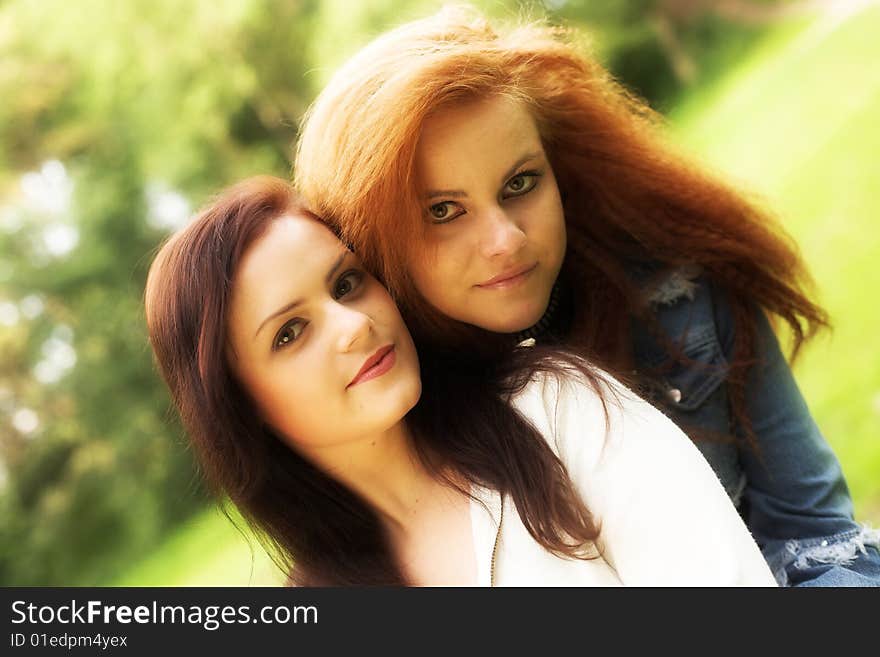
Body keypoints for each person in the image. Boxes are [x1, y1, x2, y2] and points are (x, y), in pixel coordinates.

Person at [293, 5, 880, 586]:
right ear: (369, 240)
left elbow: (819, 542)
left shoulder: (677, 292)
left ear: (557, 168)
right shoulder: (389, 424)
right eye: (443, 212)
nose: (506, 240)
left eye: (520, 184)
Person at [144, 176, 776, 586]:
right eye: (289, 333)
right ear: (241, 407)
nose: (353, 325)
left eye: (346, 283)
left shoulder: (557, 410)